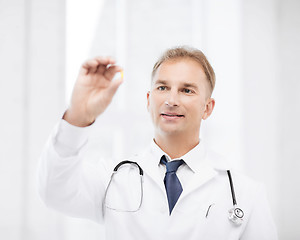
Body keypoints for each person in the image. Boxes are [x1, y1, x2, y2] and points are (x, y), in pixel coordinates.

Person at [38, 46, 277, 239]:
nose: (171, 100)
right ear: (149, 100)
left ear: (207, 107)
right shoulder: (112, 178)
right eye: (163, 87)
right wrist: (79, 115)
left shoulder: (246, 194)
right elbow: (54, 191)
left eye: (187, 90)